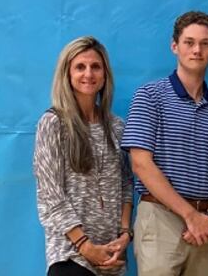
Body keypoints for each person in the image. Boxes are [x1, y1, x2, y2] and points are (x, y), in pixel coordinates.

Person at [121, 11, 208, 276]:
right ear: (174, 46)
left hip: (205, 225)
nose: (197, 50)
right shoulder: (150, 96)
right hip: (160, 218)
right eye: (189, 42)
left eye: (205, 43)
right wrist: (189, 215)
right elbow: (140, 164)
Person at [34, 36, 133, 276]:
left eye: (95, 67)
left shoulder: (117, 127)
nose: (88, 73)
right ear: (67, 73)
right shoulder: (53, 123)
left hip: (111, 257)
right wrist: (85, 246)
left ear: (105, 75)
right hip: (70, 256)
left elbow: (126, 184)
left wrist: (125, 233)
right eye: (80, 67)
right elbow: (51, 195)